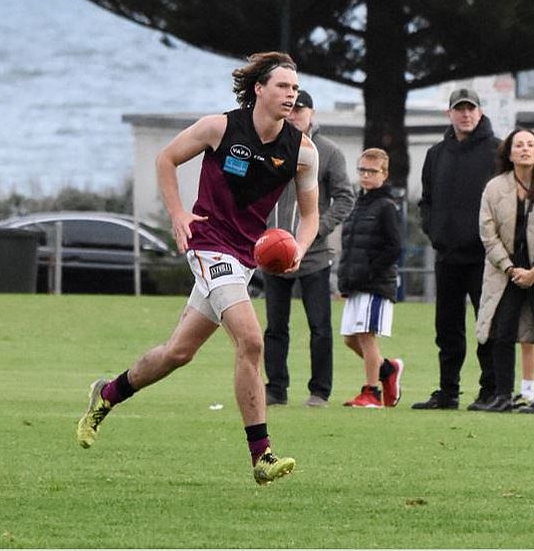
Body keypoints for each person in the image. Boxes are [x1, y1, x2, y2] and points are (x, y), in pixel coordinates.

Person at [75, 52, 319, 485]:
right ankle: (261, 455)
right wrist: (177, 215)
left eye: (295, 88)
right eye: (282, 86)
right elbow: (165, 159)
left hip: (244, 257)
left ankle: (106, 395)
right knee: (250, 340)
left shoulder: (301, 150)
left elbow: (311, 214)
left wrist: (298, 246)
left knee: (178, 353)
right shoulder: (219, 127)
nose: (291, 94)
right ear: (259, 89)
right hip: (208, 246)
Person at [263, 89, 355, 409]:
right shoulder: (267, 148)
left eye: (299, 110)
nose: (293, 116)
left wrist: (316, 232)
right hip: (273, 254)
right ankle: (275, 388)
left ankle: (320, 391)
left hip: (313, 256)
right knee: (275, 327)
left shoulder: (327, 152)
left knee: (319, 327)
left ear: (312, 114)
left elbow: (345, 197)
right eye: (289, 110)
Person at [413, 88, 499, 410]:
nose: (465, 115)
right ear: (450, 113)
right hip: (447, 255)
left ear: (480, 112)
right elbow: (427, 200)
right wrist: (433, 230)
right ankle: (448, 391)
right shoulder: (437, 154)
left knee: (486, 327)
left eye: (471, 109)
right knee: (447, 329)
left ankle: (491, 390)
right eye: (459, 109)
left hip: (483, 257)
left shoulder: (496, 151)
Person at [474, 128, 534, 413]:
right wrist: (508, 266)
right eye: (519, 145)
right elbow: (487, 233)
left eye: (530, 144)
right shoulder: (494, 188)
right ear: (509, 152)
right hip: (508, 272)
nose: (525, 149)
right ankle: (503, 394)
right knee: (501, 331)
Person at [337, 148, 404, 408]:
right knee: (350, 338)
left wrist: (368, 272)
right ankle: (387, 370)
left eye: (372, 171)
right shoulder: (358, 204)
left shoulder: (386, 206)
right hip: (356, 283)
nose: (366, 175)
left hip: (375, 284)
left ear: (384, 174)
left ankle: (371, 392)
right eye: (362, 170)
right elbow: (351, 246)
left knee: (366, 336)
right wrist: (346, 279)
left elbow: (394, 247)